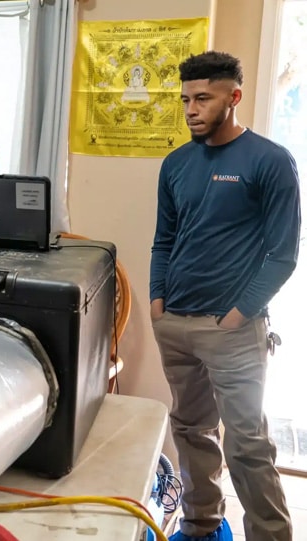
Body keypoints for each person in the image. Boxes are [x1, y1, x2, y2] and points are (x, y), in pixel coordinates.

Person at [150, 51, 300, 541]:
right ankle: (200, 526)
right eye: (186, 100)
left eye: (203, 99)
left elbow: (283, 255)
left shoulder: (270, 162)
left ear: (233, 98)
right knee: (191, 432)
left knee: (248, 447)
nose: (191, 109)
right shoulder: (175, 163)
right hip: (175, 323)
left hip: (232, 329)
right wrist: (157, 302)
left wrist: (239, 315)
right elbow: (164, 240)